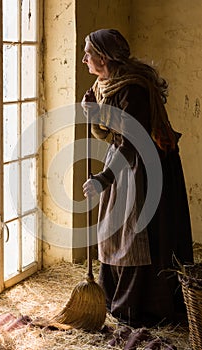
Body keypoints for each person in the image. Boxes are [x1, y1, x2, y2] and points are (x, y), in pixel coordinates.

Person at [81, 28, 194, 328]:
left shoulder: (134, 89)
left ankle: (139, 309)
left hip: (143, 168)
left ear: (103, 58)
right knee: (113, 232)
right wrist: (93, 113)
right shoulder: (108, 85)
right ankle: (115, 301)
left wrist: (103, 179)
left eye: (88, 54)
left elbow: (131, 142)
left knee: (134, 236)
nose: (83, 60)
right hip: (124, 163)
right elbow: (112, 134)